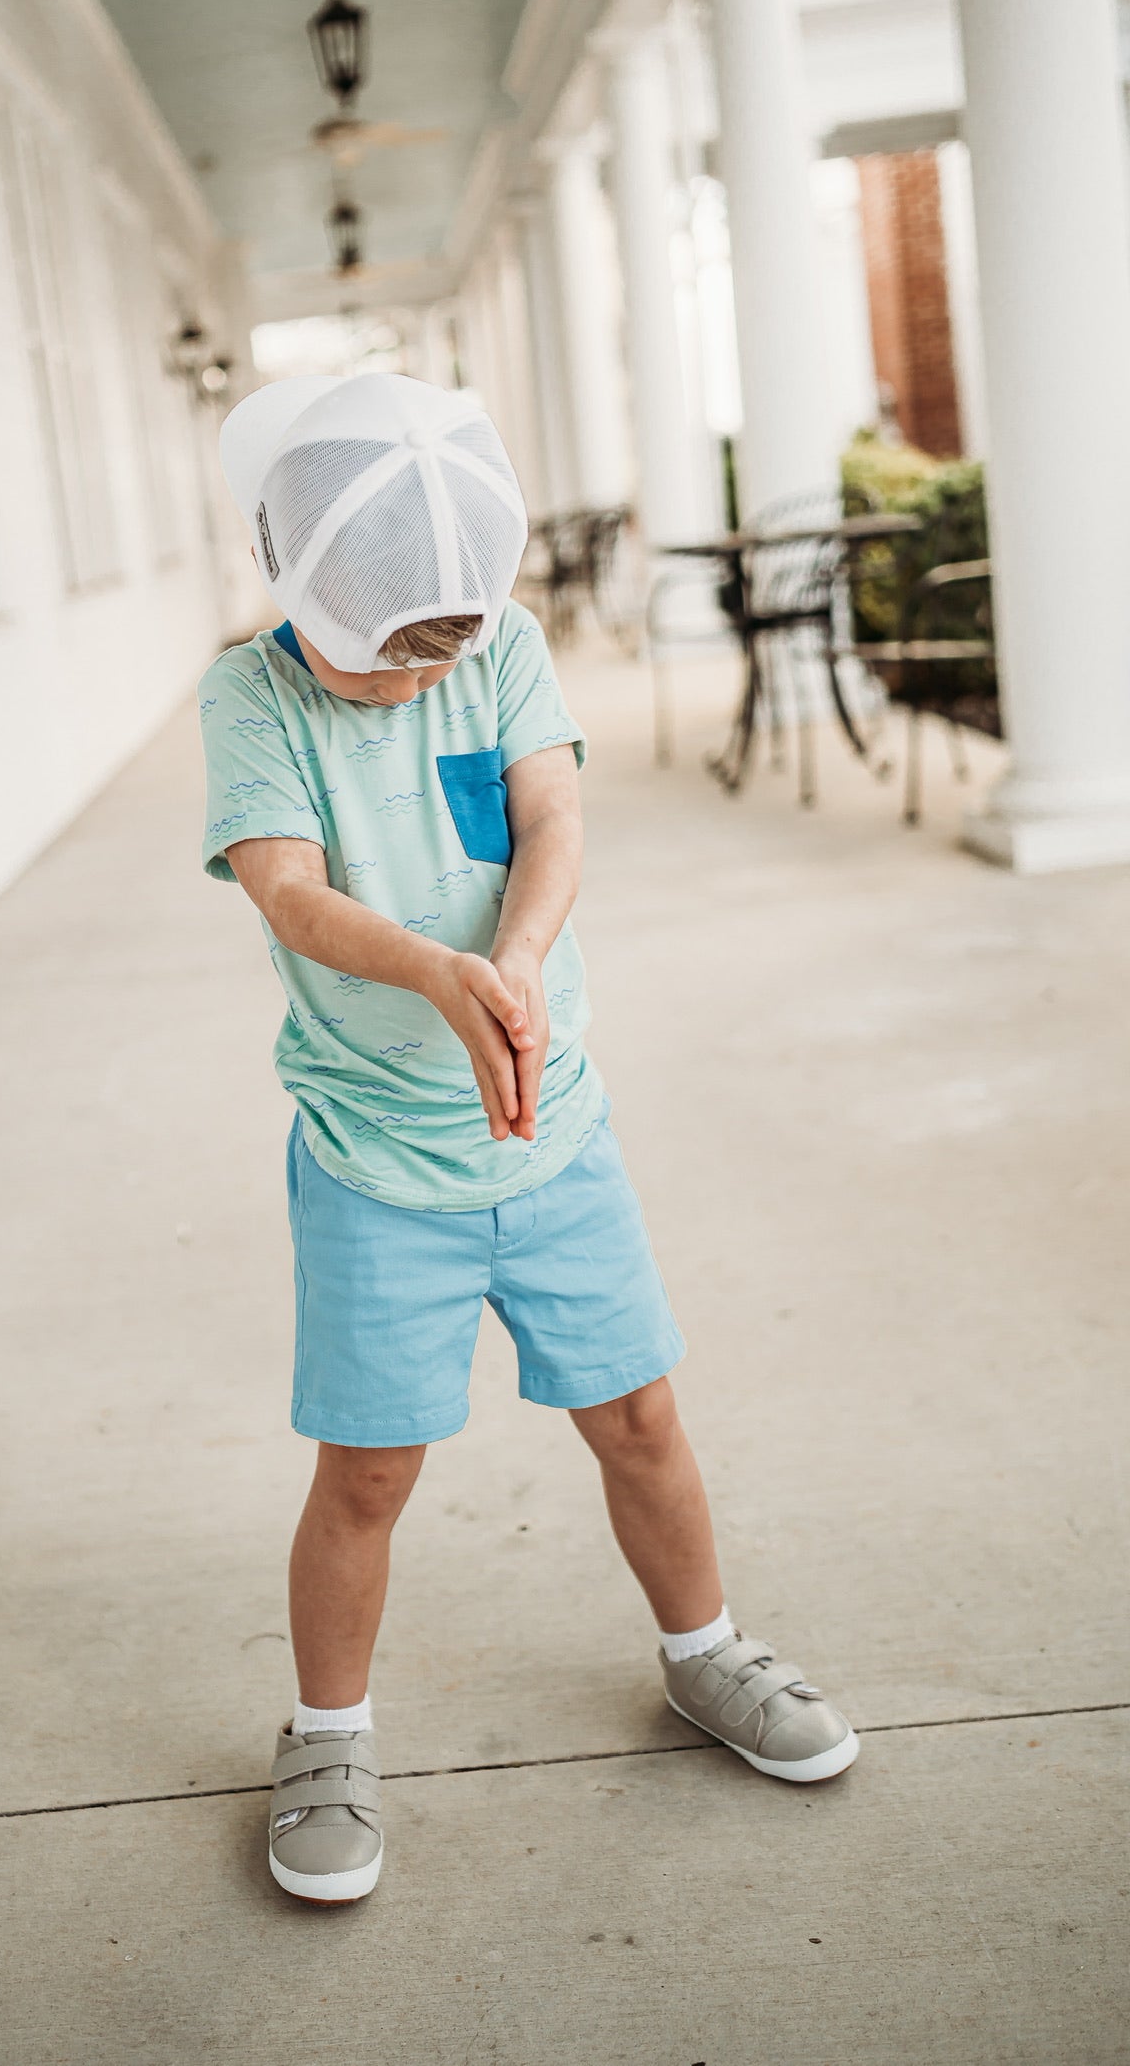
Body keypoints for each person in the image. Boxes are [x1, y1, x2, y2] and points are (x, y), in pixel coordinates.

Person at [198, 372, 857, 1906]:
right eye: (381, 664)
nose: (418, 683)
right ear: (292, 586)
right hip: (378, 1163)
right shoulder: (251, 697)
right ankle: (328, 1731)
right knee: (366, 1474)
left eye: (446, 649)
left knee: (641, 1420)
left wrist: (517, 957)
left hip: (553, 1133)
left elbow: (551, 820)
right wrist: (439, 974)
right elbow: (290, 892)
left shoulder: (496, 648)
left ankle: (705, 1652)